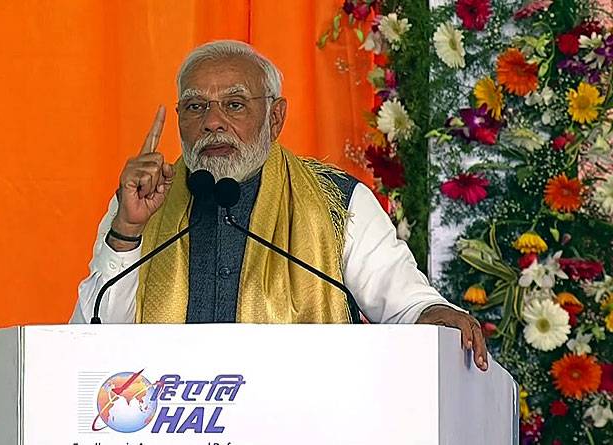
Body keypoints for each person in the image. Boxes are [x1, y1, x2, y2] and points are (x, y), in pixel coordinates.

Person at [70, 40, 488, 371]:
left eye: (234, 104)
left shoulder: (338, 201)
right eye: (196, 107)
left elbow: (406, 303)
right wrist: (128, 231)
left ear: (275, 117)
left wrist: (435, 314)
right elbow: (88, 338)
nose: (212, 122)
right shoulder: (142, 201)